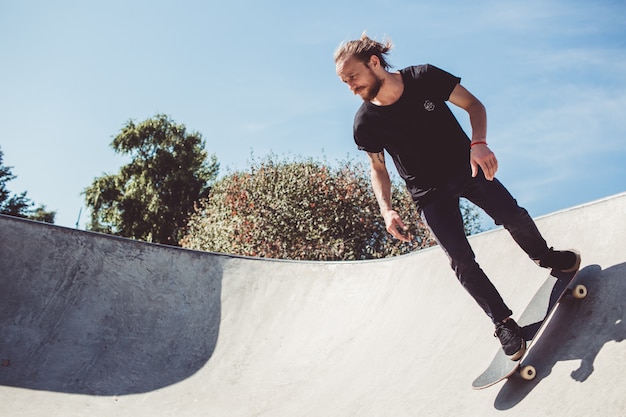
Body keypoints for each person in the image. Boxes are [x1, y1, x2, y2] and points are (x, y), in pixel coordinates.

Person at [334, 33, 580, 360]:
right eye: (344, 82)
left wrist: (479, 143)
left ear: (375, 63)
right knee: (460, 259)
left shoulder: (424, 77)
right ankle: (503, 323)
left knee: (513, 216)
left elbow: (473, 105)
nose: (350, 87)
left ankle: (545, 256)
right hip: (427, 194)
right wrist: (387, 209)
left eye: (353, 77)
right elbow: (378, 168)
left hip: (467, 169)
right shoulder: (365, 123)